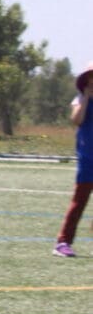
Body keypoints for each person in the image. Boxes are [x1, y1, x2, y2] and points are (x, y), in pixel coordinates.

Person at [52, 62, 93, 257]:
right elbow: (77, 119)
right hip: (88, 160)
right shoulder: (80, 99)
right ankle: (62, 243)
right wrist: (86, 97)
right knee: (79, 202)